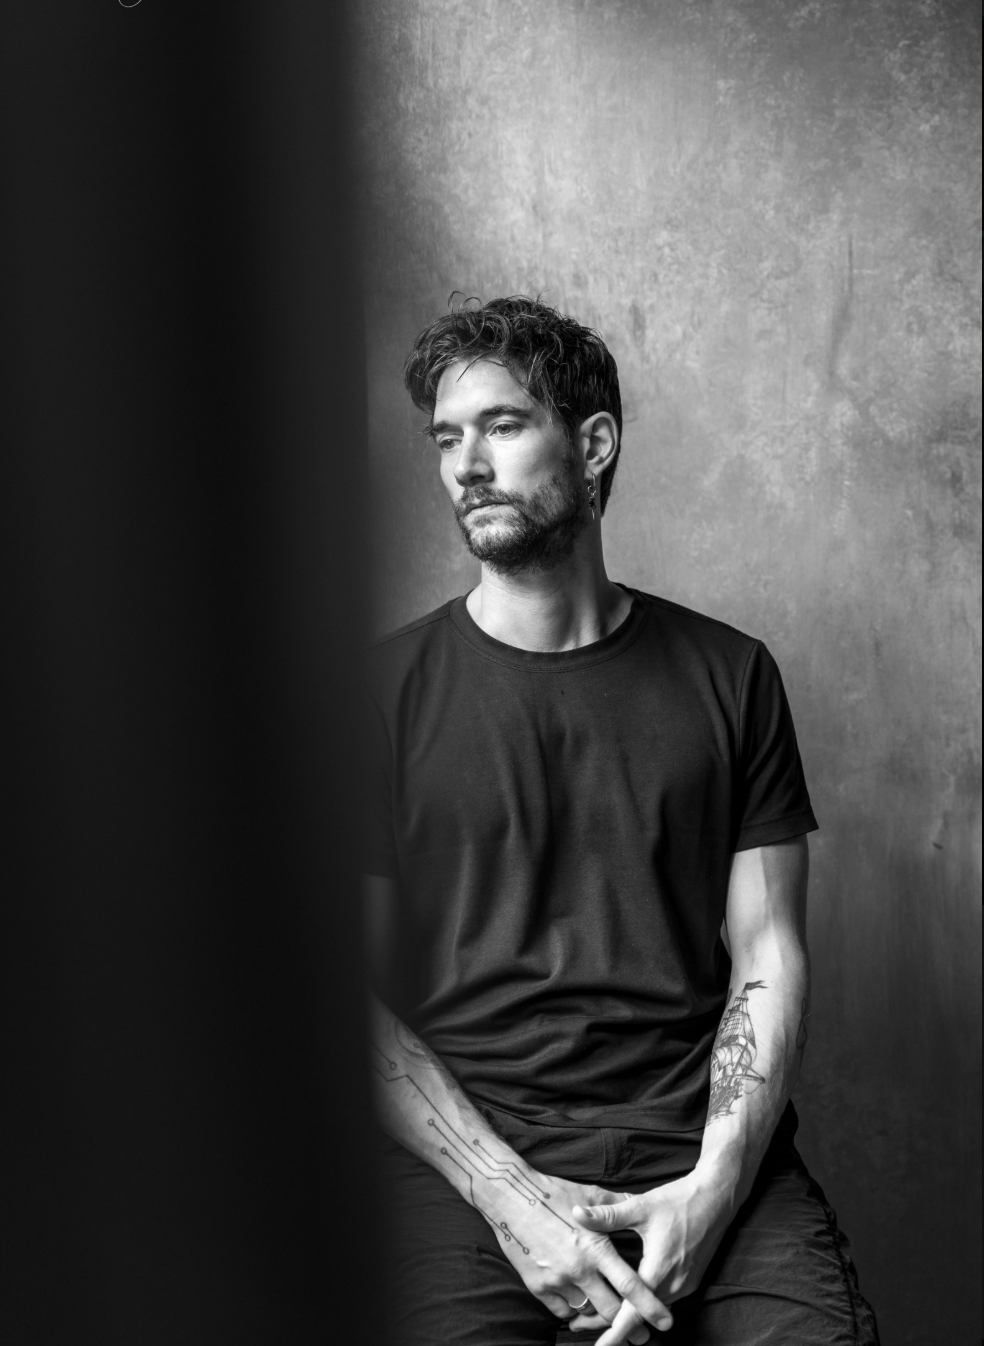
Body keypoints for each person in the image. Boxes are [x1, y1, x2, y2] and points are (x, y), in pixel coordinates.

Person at [363, 296, 879, 1345]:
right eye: (447, 439)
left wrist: (714, 1191)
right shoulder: (376, 695)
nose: (467, 466)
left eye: (504, 426)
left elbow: (769, 956)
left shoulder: (731, 674)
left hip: (699, 1144)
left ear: (593, 444)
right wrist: (511, 1200)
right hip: (466, 1161)